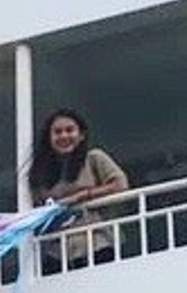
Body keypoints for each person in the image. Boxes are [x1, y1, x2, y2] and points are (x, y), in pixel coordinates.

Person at [27, 108, 129, 270]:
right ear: (49, 138)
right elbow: (37, 209)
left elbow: (120, 185)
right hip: (58, 251)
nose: (64, 136)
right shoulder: (41, 173)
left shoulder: (93, 158)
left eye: (70, 130)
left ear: (81, 135)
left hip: (97, 242)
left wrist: (82, 196)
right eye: (57, 132)